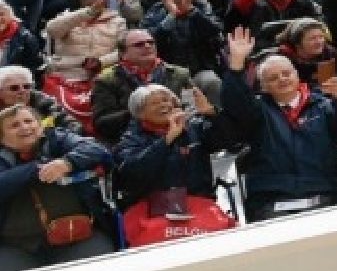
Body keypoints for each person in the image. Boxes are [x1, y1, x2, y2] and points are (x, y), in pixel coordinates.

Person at [220, 26, 337, 221]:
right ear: (263, 87)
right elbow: (235, 104)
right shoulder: (257, 111)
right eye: (273, 77)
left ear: (297, 76)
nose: (282, 79)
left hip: (325, 196)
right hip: (273, 203)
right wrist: (236, 66)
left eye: (286, 73)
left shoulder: (323, 105)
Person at [112, 84, 233, 239]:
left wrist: (211, 113)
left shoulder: (193, 128)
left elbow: (229, 141)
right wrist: (167, 139)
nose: (164, 105)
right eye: (155, 103)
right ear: (140, 113)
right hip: (150, 210)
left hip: (197, 203)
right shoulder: (129, 140)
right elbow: (135, 172)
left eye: (166, 100)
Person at [0, 103, 115, 265]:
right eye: (14, 125)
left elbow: (97, 150)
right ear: (2, 138)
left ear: (40, 127)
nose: (24, 127)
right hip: (16, 245)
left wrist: (67, 162)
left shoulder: (57, 138)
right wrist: (36, 168)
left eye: (28, 121)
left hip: (77, 235)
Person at [89, 29, 194, 144]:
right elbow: (101, 124)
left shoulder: (180, 74)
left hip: (178, 138)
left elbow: (192, 109)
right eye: (139, 44)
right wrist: (140, 113)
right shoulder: (105, 80)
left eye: (151, 42)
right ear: (123, 54)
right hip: (131, 143)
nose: (147, 46)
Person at [0, 69, 78, 135]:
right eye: (14, 88)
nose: (22, 91)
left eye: (27, 87)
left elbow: (73, 126)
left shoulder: (44, 102)